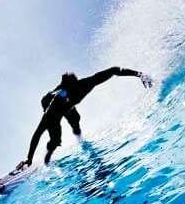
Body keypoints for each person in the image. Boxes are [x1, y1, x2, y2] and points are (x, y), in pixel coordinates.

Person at [18, 66, 152, 167]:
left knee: (75, 121)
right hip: (54, 110)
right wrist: (29, 158)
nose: (68, 94)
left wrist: (139, 74)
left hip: (68, 109)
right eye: (65, 92)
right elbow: (37, 134)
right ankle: (49, 153)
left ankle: (79, 138)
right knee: (55, 138)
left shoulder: (86, 84)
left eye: (70, 91)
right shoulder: (55, 102)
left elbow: (114, 70)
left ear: (76, 84)